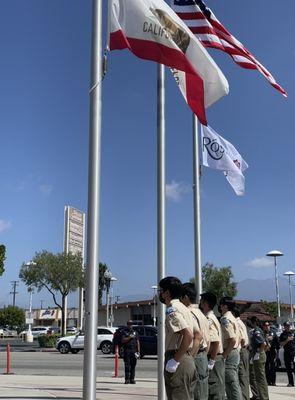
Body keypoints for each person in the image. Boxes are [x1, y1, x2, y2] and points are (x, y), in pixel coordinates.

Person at [158, 276, 198, 400]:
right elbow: (198, 334)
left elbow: (188, 335)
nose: (160, 293)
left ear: (167, 293)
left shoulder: (172, 309)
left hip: (177, 358)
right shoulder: (185, 309)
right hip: (186, 359)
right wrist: (189, 356)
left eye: (161, 291)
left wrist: (175, 360)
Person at [181, 282, 210, 400]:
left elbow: (197, 337)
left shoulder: (189, 313)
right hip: (202, 354)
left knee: (194, 392)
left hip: (195, 354)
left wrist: (190, 359)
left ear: (186, 297)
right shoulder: (201, 313)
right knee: (202, 392)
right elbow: (207, 339)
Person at [200, 292, 225, 400]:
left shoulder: (209, 319)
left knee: (214, 390)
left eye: (201, 301)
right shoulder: (210, 317)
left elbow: (215, 342)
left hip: (213, 357)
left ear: (205, 303)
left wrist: (212, 361)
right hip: (214, 357)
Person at [219, 297, 241, 400]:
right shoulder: (232, 317)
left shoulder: (225, 319)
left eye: (221, 304)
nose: (220, 306)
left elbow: (232, 339)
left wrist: (224, 355)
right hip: (234, 351)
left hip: (230, 351)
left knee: (231, 382)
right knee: (231, 382)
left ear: (225, 306)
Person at [249, 316, 269, 400]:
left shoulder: (257, 331)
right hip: (259, 355)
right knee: (259, 378)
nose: (249, 323)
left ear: (253, 322)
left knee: (260, 379)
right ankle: (262, 397)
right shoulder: (259, 330)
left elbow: (264, 344)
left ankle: (264, 397)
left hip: (259, 356)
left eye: (249, 321)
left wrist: (258, 353)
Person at [233, 307, 250, 400]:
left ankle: (244, 397)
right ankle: (245, 396)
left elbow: (242, 339)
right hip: (244, 350)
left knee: (242, 375)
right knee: (243, 376)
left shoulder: (237, 323)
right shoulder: (240, 323)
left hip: (241, 351)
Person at [262, 321, 280, 386]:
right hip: (265, 351)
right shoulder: (262, 333)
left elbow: (277, 342)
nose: (267, 326)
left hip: (272, 351)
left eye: (268, 325)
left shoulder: (273, 333)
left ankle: (273, 382)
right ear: (263, 327)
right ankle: (267, 381)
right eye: (265, 325)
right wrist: (265, 338)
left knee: (273, 367)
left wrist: (277, 352)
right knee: (266, 367)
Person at [279, 321, 295, 387]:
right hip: (287, 352)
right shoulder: (282, 335)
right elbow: (281, 344)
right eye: (286, 326)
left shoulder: (293, 333)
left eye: (288, 326)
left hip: (293, 352)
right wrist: (287, 340)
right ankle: (291, 382)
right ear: (284, 327)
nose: (288, 327)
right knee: (288, 368)